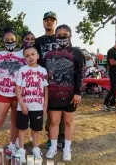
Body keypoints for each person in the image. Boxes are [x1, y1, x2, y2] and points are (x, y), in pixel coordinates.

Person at [44, 25, 83, 161]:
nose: (62, 37)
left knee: (68, 121)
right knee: (54, 121)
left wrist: (78, 92)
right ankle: (53, 146)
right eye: (59, 35)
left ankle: (67, 147)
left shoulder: (76, 52)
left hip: (70, 94)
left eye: (64, 34)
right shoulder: (48, 55)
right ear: (55, 36)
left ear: (70, 36)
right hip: (54, 94)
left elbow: (79, 73)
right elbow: (44, 74)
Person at [0, 27, 25, 153]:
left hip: (18, 94)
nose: (9, 42)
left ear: (17, 40)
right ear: (2, 41)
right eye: (7, 40)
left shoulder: (22, 54)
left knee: (15, 121)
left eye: (12, 39)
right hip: (2, 93)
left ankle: (12, 144)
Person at [35, 11, 65, 149]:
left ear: (56, 23)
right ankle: (50, 135)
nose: (49, 22)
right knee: (46, 110)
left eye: (52, 20)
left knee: (61, 111)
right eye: (46, 19)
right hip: (42, 81)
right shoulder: (38, 41)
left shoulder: (61, 39)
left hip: (59, 81)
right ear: (43, 22)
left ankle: (61, 138)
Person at [15, 45, 48, 162]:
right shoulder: (22, 70)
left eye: (32, 54)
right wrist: (22, 104)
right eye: (27, 56)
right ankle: (21, 149)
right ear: (24, 58)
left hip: (38, 106)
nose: (30, 57)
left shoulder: (43, 70)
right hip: (23, 106)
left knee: (35, 128)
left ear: (38, 56)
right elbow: (17, 88)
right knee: (22, 128)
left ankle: (35, 148)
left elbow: (46, 89)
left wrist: (45, 106)